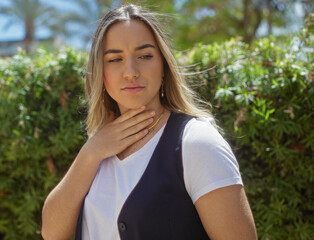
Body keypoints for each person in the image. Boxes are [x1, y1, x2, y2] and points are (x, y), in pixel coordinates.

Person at [41, 4, 257, 240]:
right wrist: (90, 153)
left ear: (163, 65)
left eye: (145, 56)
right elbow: (51, 232)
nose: (131, 71)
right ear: (100, 72)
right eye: (114, 59)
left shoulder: (197, 143)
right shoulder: (98, 150)